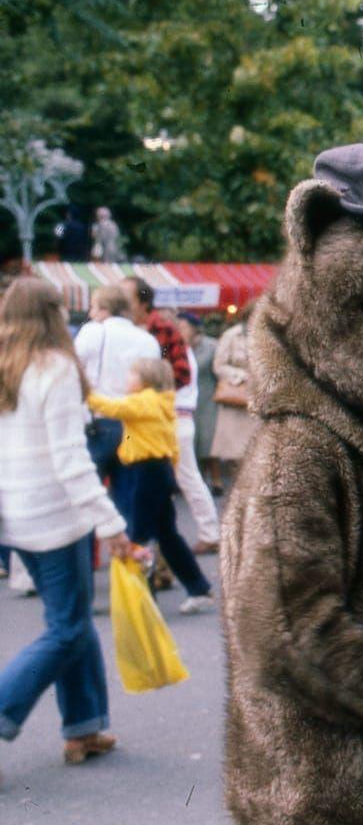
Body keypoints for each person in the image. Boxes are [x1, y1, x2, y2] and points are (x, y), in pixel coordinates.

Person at [0, 278, 130, 766]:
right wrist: (111, 524)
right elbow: (70, 461)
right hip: (56, 518)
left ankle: (84, 727)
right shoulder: (54, 369)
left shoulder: (5, 367)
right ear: (54, 314)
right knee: (68, 630)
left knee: (71, 622)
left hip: (17, 518)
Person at [87, 357, 217, 614]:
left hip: (144, 472)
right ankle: (198, 587)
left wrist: (84, 392)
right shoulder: (162, 403)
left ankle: (143, 598)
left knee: (139, 534)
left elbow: (110, 408)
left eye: (131, 375)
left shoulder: (143, 401)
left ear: (144, 380)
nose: (127, 380)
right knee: (167, 534)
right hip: (160, 469)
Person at [72, 284, 161, 488]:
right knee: (127, 498)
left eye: (93, 307)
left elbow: (73, 369)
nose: (91, 313)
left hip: (98, 422)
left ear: (105, 309)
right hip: (136, 425)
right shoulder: (148, 340)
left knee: (88, 494)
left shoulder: (93, 332)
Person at [165, 314, 222, 553]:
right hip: (179, 419)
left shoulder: (178, 353)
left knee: (188, 479)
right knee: (187, 479)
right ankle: (209, 532)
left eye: (183, 326)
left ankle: (210, 532)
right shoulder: (181, 351)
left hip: (176, 418)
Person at [211, 304, 257, 485]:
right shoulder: (231, 335)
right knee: (233, 449)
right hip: (236, 395)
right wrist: (241, 376)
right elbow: (219, 365)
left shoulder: (267, 334)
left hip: (257, 397)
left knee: (253, 447)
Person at [121, 276, 191, 390]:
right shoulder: (114, 328)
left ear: (143, 304)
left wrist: (154, 391)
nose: (120, 305)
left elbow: (183, 374)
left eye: (126, 301)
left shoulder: (164, 329)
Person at [178, 311, 221, 492]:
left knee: (209, 442)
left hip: (207, 399)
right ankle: (197, 483)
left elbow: (219, 371)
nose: (179, 330)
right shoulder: (176, 348)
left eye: (183, 327)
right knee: (191, 442)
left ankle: (216, 480)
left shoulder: (212, 346)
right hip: (186, 402)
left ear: (195, 329)